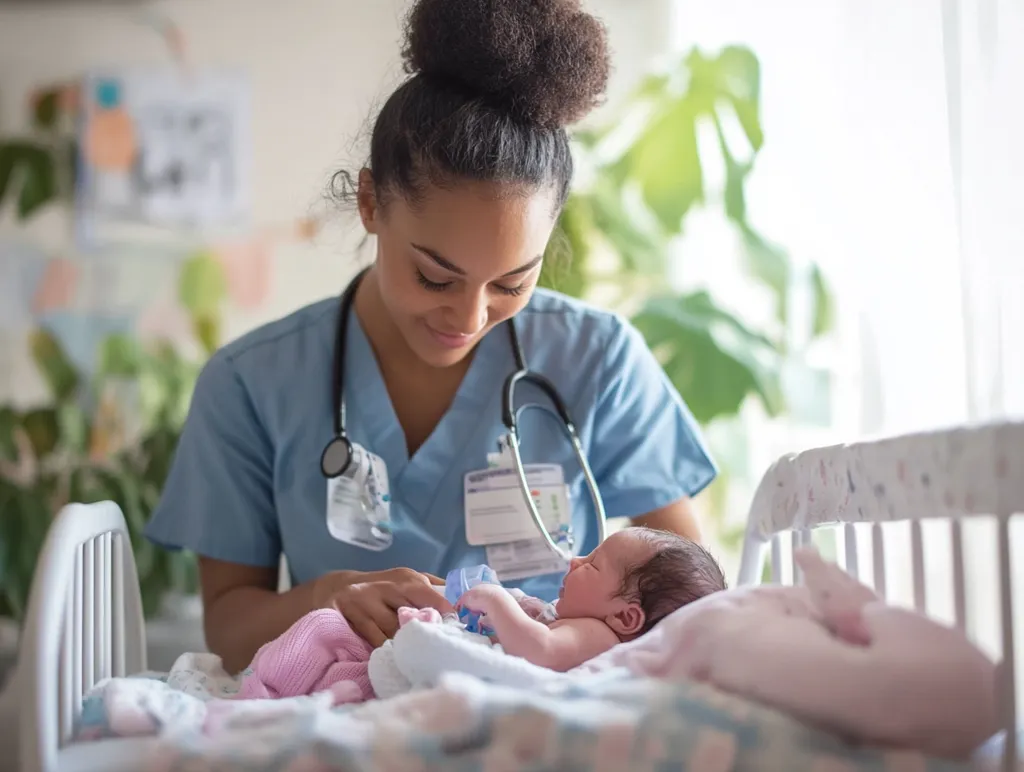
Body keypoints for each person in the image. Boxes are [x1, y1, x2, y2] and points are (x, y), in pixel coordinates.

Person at [144, 0, 718, 676]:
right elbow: (231, 630)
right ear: (369, 203)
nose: (470, 318)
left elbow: (693, 611)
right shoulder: (250, 385)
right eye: (434, 275)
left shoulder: (596, 360)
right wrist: (331, 596)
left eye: (511, 282)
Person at [455, 527, 727, 671]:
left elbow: (542, 649)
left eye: (593, 564)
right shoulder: (582, 626)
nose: (575, 561)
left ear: (624, 617)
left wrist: (496, 601)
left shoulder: (597, 634)